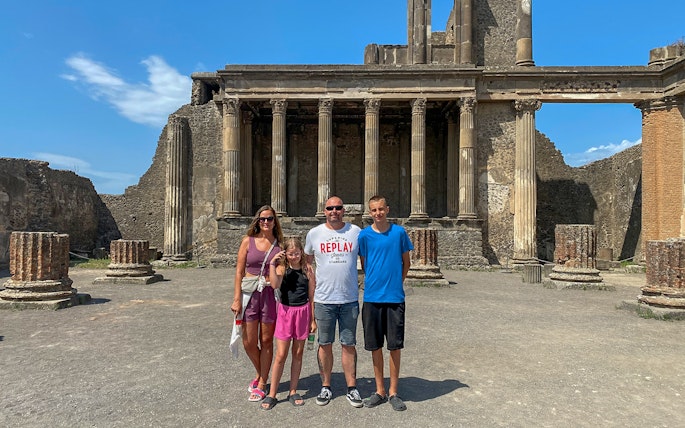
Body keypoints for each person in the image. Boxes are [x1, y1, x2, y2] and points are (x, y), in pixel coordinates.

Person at [304, 196, 363, 408]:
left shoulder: (355, 232)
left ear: (343, 210)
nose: (334, 211)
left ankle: (352, 387)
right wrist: (310, 301)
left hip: (348, 300)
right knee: (324, 343)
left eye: (338, 208)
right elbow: (308, 267)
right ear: (324, 210)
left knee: (349, 344)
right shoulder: (314, 234)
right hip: (324, 300)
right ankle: (326, 386)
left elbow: (366, 261)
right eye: (330, 208)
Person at [358, 195, 413, 411]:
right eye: (374, 210)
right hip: (372, 298)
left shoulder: (399, 233)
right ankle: (380, 390)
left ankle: (393, 391)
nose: (378, 213)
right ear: (369, 212)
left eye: (381, 209)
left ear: (387, 209)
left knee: (395, 346)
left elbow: (406, 263)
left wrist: (395, 284)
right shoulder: (364, 236)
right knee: (375, 346)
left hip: (394, 298)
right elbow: (365, 264)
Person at [231, 205, 283, 402]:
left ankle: (262, 382)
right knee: (249, 342)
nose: (266, 222)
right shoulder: (248, 241)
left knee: (267, 340)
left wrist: (275, 275)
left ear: (274, 221)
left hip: (269, 295)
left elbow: (281, 271)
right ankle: (262, 372)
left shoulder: (280, 245)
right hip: (249, 295)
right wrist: (236, 298)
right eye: (263, 219)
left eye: (270, 219)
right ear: (257, 221)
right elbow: (239, 271)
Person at [260, 237, 316, 410]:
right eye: (290, 254)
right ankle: (272, 394)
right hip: (285, 312)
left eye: (297, 253)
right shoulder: (282, 268)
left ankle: (293, 390)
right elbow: (275, 285)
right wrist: (272, 264)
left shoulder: (308, 270)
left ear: (301, 253)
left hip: (303, 312)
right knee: (281, 354)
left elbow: (312, 295)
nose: (294, 257)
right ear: (285, 254)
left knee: (298, 353)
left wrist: (313, 320)